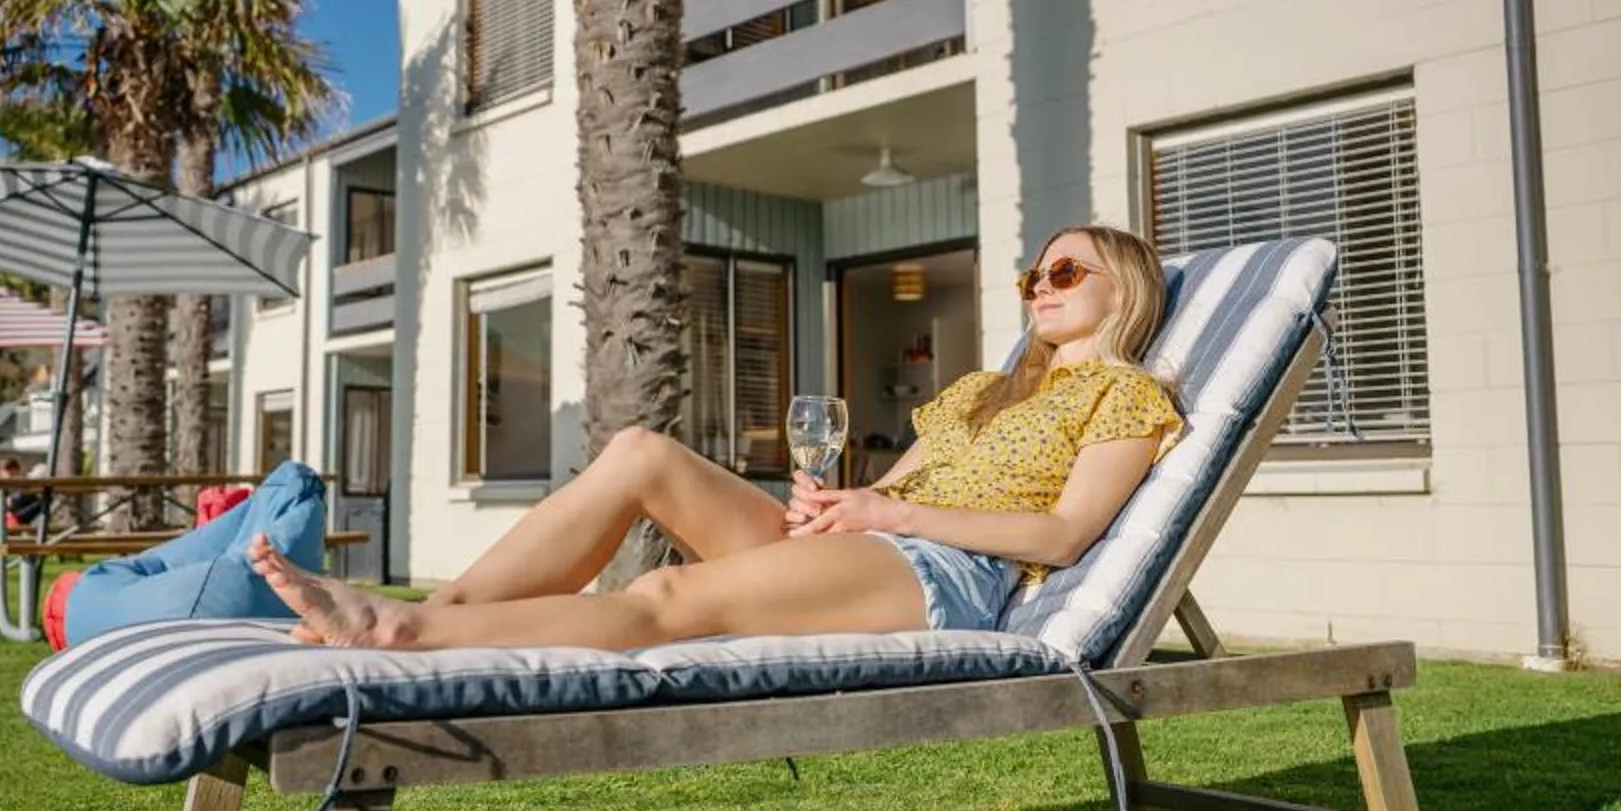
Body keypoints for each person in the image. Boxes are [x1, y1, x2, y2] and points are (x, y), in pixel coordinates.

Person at [249, 223, 1184, 651]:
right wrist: (836, 504)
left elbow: (1064, 536)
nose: (1041, 285)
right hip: (873, 545)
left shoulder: (1126, 396)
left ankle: (400, 627)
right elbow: (892, 489)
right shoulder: (982, 388)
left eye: (1065, 269)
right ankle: (440, 613)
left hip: (946, 576)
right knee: (639, 455)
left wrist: (890, 509)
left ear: (1125, 289)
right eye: (1032, 274)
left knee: (666, 594)